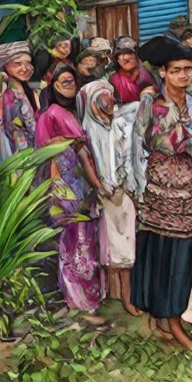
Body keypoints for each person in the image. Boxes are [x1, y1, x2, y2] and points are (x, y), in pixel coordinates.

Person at [130, 41, 192, 349]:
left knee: (183, 256)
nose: (184, 75)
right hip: (161, 191)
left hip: (188, 191)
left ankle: (172, 315)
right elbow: (146, 142)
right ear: (163, 72)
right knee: (160, 253)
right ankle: (167, 319)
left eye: (188, 70)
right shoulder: (153, 104)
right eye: (176, 71)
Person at [33, 62, 104, 317]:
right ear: (53, 86)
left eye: (72, 80)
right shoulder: (49, 114)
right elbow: (41, 152)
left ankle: (91, 296)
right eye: (63, 81)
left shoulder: (80, 110)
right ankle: (76, 299)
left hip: (85, 184)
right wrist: (63, 143)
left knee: (87, 240)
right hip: (63, 187)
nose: (69, 85)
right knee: (72, 241)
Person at [79, 80, 139, 312]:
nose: (108, 102)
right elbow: (88, 164)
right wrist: (99, 185)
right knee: (110, 247)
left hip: (122, 191)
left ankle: (125, 296)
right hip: (103, 195)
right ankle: (115, 295)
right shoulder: (86, 131)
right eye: (102, 99)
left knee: (126, 243)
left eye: (110, 97)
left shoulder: (118, 124)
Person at [0, 39, 38, 160]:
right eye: (17, 63)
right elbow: (11, 131)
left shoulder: (27, 89)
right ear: (5, 65)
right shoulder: (8, 96)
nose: (25, 68)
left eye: (28, 63)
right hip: (20, 156)